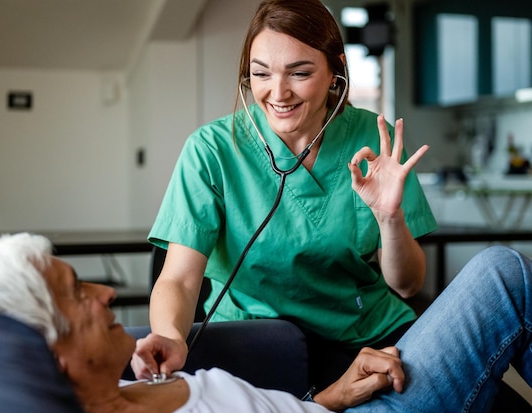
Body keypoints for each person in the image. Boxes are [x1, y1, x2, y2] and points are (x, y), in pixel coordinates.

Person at [133, 0, 437, 390]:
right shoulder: (211, 151)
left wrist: (390, 217)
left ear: (335, 72)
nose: (278, 93)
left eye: (300, 73)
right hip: (257, 343)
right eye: (261, 73)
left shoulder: (374, 140)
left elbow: (409, 285)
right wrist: (171, 337)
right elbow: (177, 278)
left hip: (367, 334)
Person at [0, 233, 531, 413]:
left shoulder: (135, 388)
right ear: (54, 353)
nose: (103, 291)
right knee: (505, 274)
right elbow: (176, 279)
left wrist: (333, 396)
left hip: (346, 401)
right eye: (76, 294)